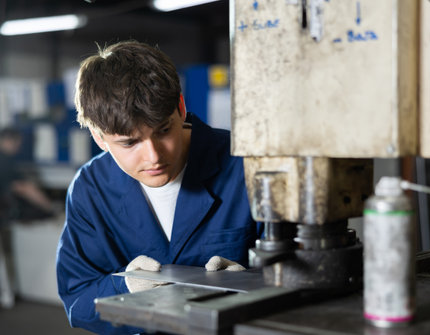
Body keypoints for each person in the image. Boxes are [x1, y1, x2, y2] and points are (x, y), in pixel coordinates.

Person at [56, 40, 263, 334]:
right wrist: (126, 286)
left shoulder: (246, 166)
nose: (154, 156)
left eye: (163, 131)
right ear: (98, 136)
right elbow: (78, 298)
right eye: (129, 142)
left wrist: (252, 285)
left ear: (180, 107)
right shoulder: (91, 189)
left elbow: (305, 281)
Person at [0, 126, 54, 308]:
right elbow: (25, 188)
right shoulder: (5, 161)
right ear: (12, 141)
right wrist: (51, 209)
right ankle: (7, 298)